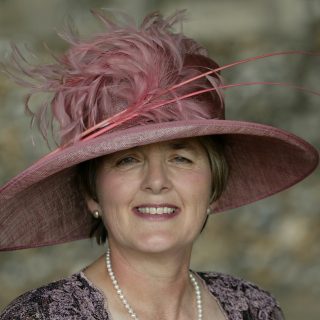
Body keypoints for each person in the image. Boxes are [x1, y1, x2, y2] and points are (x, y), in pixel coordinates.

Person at [0, 10, 318, 320]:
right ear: (91, 193)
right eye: (127, 160)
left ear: (215, 187)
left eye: (181, 158)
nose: (156, 181)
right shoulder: (41, 315)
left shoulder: (254, 307)